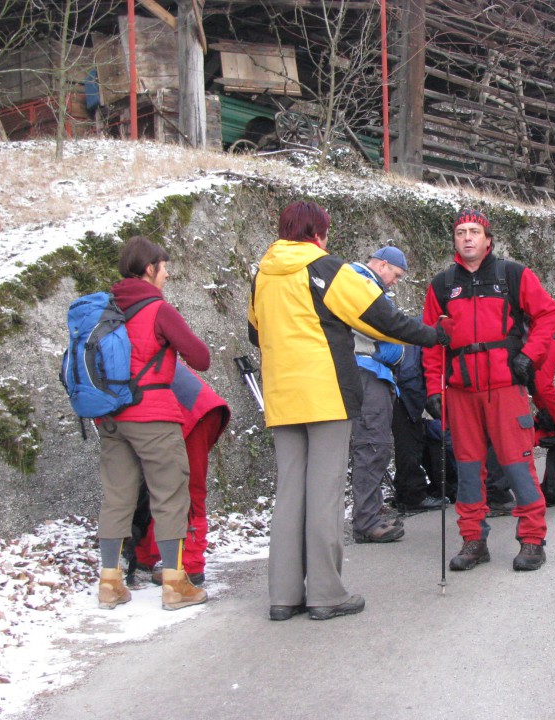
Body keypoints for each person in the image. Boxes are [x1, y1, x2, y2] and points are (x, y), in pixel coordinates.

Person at [248, 201, 449, 621]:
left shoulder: (263, 275)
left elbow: (255, 332)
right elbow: (381, 319)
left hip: (282, 395)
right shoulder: (325, 268)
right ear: (318, 233)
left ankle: (283, 596)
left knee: (290, 494)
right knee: (323, 493)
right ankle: (325, 593)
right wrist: (434, 335)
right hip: (325, 392)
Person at [422, 208, 555, 572]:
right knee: (467, 471)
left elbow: (548, 315)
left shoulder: (512, 275)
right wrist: (433, 388)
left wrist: (530, 357)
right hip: (460, 393)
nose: (467, 237)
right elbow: (432, 341)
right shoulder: (441, 285)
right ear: (454, 240)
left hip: (505, 389)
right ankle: (473, 541)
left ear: (488, 239)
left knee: (518, 468)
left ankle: (532, 540)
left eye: (474, 231)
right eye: (460, 232)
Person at [96, 236, 210, 612]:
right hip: (153, 414)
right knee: (169, 494)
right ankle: (176, 584)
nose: (168, 273)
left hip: (112, 416)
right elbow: (201, 357)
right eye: (164, 267)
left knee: (118, 496)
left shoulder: (107, 307)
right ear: (149, 269)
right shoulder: (158, 309)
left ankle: (110, 583)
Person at [135, 362, 231, 586]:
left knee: (188, 490)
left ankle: (190, 565)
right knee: (157, 484)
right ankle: (148, 554)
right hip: (190, 408)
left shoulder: (113, 349)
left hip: (192, 412)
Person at [348, 246, 419, 542]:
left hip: (364, 374)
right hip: (367, 375)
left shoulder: (356, 283)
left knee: (369, 448)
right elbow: (388, 344)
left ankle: (368, 516)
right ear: (382, 264)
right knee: (372, 447)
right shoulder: (362, 286)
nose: (395, 282)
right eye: (396, 275)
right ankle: (367, 522)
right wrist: (393, 349)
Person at [390, 342, 446, 512]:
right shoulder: (424, 334)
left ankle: (406, 493)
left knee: (409, 442)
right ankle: (413, 497)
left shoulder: (416, 329)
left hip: (399, 388)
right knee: (409, 443)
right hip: (404, 392)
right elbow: (410, 371)